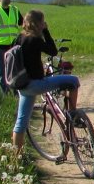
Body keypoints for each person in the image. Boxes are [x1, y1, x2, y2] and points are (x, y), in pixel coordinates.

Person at [10, 10, 81, 152]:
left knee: (20, 123)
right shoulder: (35, 40)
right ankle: (73, 116)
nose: (44, 24)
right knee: (74, 81)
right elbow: (53, 51)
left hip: (23, 85)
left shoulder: (19, 38)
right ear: (38, 24)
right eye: (42, 22)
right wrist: (46, 31)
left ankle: (16, 156)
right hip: (36, 84)